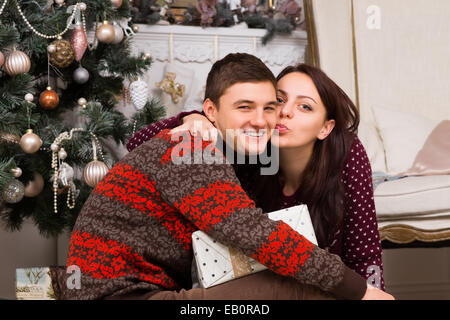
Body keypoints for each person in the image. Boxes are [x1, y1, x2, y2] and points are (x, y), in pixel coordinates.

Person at [64, 53, 392, 300]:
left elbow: (363, 253)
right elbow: (252, 231)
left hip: (135, 287)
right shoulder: (196, 149)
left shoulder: (247, 150)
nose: (264, 119)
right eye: (244, 107)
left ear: (326, 127)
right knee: (295, 289)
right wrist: (359, 291)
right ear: (211, 111)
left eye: (268, 107)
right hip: (123, 295)